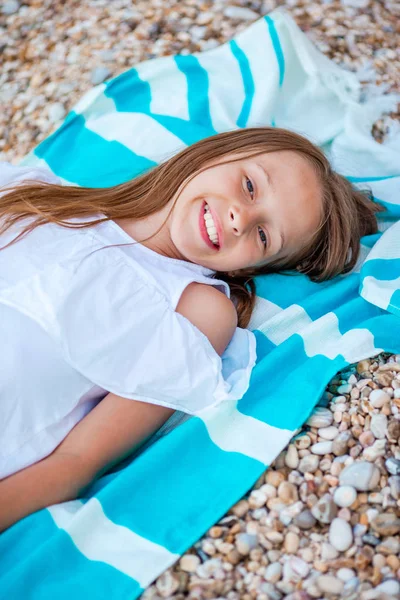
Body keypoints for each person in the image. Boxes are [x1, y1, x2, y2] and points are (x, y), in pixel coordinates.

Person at [0, 127, 382, 531]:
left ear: (249, 269)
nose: (241, 218)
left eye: (264, 236)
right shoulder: (37, 193)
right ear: (211, 154)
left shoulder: (196, 310)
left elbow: (77, 462)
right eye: (249, 186)